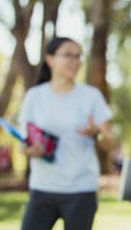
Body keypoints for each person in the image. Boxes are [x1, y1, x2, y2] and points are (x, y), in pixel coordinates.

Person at [19, 36, 112, 230]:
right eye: (67, 55)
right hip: (42, 188)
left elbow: (109, 143)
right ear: (50, 59)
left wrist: (96, 133)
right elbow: (23, 143)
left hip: (81, 189)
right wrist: (31, 150)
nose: (74, 61)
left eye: (78, 56)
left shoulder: (92, 96)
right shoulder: (34, 97)